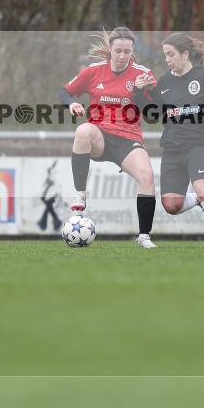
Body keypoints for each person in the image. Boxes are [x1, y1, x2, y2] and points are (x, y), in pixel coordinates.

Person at [133, 33, 204, 249]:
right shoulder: (164, 83)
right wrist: (138, 92)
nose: (167, 59)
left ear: (185, 54)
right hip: (172, 148)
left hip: (198, 144)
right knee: (171, 205)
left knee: (203, 189)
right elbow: (154, 116)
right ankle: (203, 201)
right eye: (165, 55)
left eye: (171, 54)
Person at [59, 27, 159, 249]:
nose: (123, 56)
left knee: (147, 176)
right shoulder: (93, 71)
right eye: (118, 51)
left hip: (128, 139)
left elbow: (153, 113)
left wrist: (139, 92)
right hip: (100, 137)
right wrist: (71, 103)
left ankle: (144, 235)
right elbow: (64, 92)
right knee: (83, 131)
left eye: (127, 52)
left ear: (133, 51)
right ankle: (80, 196)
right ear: (110, 50)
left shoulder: (143, 74)